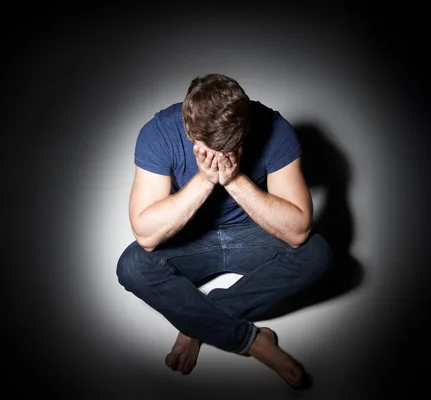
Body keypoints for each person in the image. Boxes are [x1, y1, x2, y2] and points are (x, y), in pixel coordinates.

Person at [116, 73, 333, 389]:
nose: (216, 159)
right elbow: (146, 235)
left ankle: (196, 324)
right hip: (192, 238)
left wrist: (234, 179)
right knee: (131, 266)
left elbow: (298, 230)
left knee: (319, 253)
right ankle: (253, 341)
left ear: (243, 131)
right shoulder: (159, 133)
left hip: (252, 233)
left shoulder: (275, 129)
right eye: (206, 148)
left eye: (227, 148)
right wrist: (205, 180)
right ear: (189, 129)